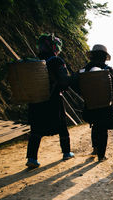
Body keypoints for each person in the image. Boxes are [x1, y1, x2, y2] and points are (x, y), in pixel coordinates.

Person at [26, 33, 74, 168]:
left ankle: (31, 158)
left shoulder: (34, 62)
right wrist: (67, 84)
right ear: (54, 47)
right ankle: (66, 152)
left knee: (35, 130)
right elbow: (64, 81)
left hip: (36, 101)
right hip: (53, 100)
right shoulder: (57, 61)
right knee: (62, 127)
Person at [81, 44, 113, 162]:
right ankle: (101, 155)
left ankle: (95, 148)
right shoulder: (108, 70)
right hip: (104, 104)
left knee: (95, 125)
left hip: (90, 103)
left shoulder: (85, 69)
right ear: (104, 57)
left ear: (92, 56)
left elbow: (77, 84)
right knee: (103, 129)